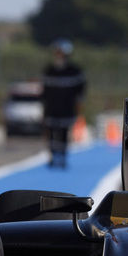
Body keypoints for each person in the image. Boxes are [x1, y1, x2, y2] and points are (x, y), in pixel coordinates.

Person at [41, 39, 86, 168]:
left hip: (67, 108)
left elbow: (80, 92)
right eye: (57, 52)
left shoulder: (75, 71)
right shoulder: (49, 70)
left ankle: (62, 157)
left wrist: (78, 106)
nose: (58, 55)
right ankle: (52, 157)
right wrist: (43, 108)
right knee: (51, 133)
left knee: (63, 133)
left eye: (61, 52)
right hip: (51, 108)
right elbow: (44, 92)